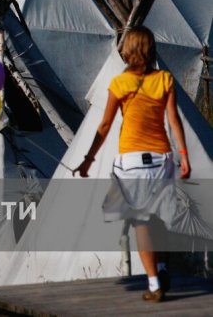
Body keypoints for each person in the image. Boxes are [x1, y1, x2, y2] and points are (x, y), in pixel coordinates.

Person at [73, 26, 190, 303]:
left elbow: (105, 125)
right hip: (162, 158)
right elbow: (173, 121)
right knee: (160, 218)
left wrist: (88, 159)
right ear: (150, 49)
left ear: (128, 49)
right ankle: (162, 267)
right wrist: (183, 155)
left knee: (142, 222)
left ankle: (153, 284)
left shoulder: (119, 84)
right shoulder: (164, 79)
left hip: (133, 161)